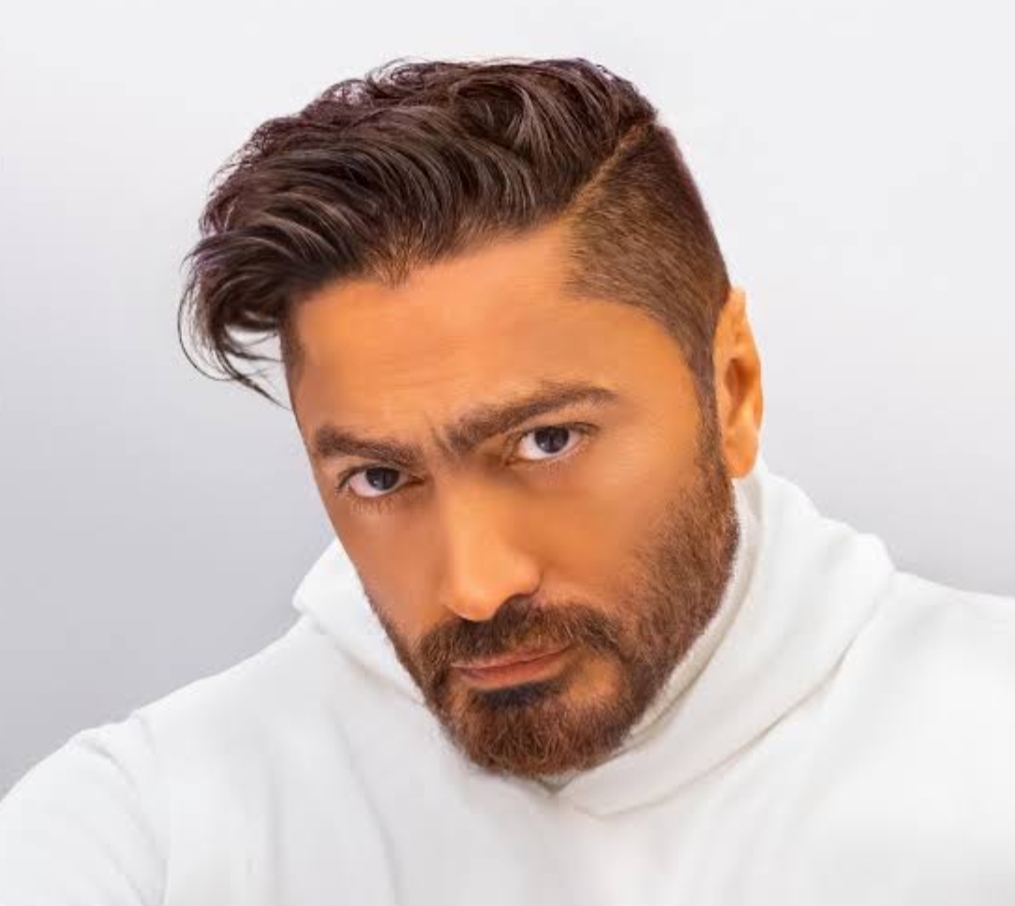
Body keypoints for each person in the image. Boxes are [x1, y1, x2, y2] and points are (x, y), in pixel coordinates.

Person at [1, 56, 1013, 906]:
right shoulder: (151, 828)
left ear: (733, 390)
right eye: (380, 475)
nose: (475, 588)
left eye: (547, 441)